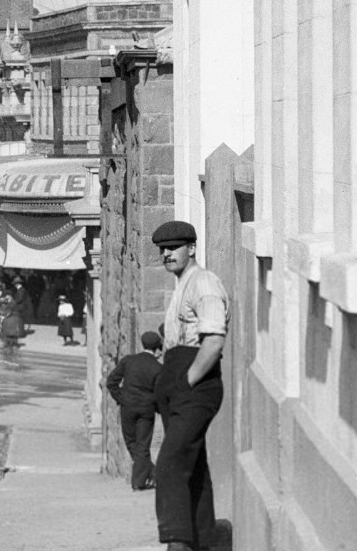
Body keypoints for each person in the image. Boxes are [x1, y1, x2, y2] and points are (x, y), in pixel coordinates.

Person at [151, 220, 229, 551]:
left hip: (194, 386)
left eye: (174, 247)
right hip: (178, 386)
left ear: (192, 249)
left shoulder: (204, 282)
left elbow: (213, 341)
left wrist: (187, 381)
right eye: (163, 249)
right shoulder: (182, 283)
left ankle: (177, 543)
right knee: (193, 469)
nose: (167, 253)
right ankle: (206, 542)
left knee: (169, 465)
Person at [107, 331, 164, 491]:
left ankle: (139, 481)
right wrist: (159, 408)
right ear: (157, 347)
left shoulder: (128, 361)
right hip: (147, 409)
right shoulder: (158, 367)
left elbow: (111, 382)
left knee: (131, 442)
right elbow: (160, 392)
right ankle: (150, 474)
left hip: (128, 407)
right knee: (143, 445)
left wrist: (121, 397)